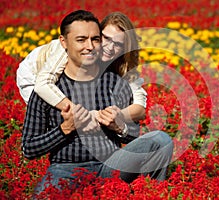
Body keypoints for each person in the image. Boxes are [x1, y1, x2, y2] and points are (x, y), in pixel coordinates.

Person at [21, 10, 173, 195]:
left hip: (111, 165)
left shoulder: (115, 82)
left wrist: (119, 126)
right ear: (64, 42)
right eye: (81, 40)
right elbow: (29, 149)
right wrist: (66, 129)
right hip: (66, 170)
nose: (90, 46)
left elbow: (134, 134)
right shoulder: (47, 91)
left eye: (95, 39)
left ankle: (152, 195)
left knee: (160, 140)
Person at [17, 13, 147, 123]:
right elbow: (43, 85)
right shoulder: (69, 49)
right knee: (59, 120)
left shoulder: (122, 63)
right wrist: (84, 115)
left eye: (118, 44)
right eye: (106, 38)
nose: (110, 47)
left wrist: (118, 115)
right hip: (33, 75)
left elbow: (140, 107)